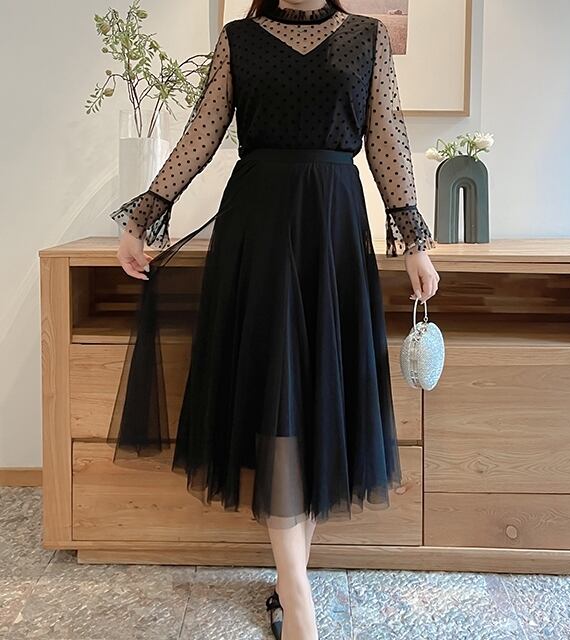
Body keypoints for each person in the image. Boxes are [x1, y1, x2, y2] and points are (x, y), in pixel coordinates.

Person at [107, 1, 439, 638]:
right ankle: (298, 595)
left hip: (333, 234)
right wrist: (143, 215)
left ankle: (291, 583)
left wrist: (413, 241)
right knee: (277, 401)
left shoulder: (367, 38)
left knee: (313, 407)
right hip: (256, 234)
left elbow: (387, 139)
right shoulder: (239, 39)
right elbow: (201, 136)